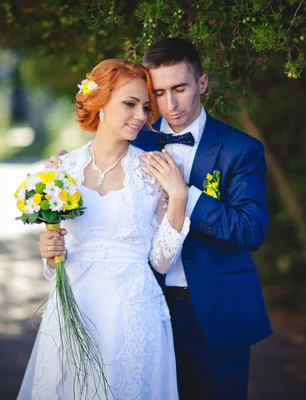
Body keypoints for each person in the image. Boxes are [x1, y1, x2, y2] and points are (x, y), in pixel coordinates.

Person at [46, 38, 272, 399]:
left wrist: (187, 194)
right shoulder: (137, 141)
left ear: (202, 83)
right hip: (145, 311)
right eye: (160, 93)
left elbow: (251, 229)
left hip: (217, 313)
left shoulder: (240, 149)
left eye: (180, 88)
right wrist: (65, 171)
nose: (170, 104)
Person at [17, 59, 189, 399]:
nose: (140, 115)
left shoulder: (153, 172)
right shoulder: (61, 170)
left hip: (133, 311)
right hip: (75, 306)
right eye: (129, 104)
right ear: (100, 103)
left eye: (144, 107)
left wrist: (179, 196)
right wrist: (49, 254)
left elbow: (162, 262)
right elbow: (56, 257)